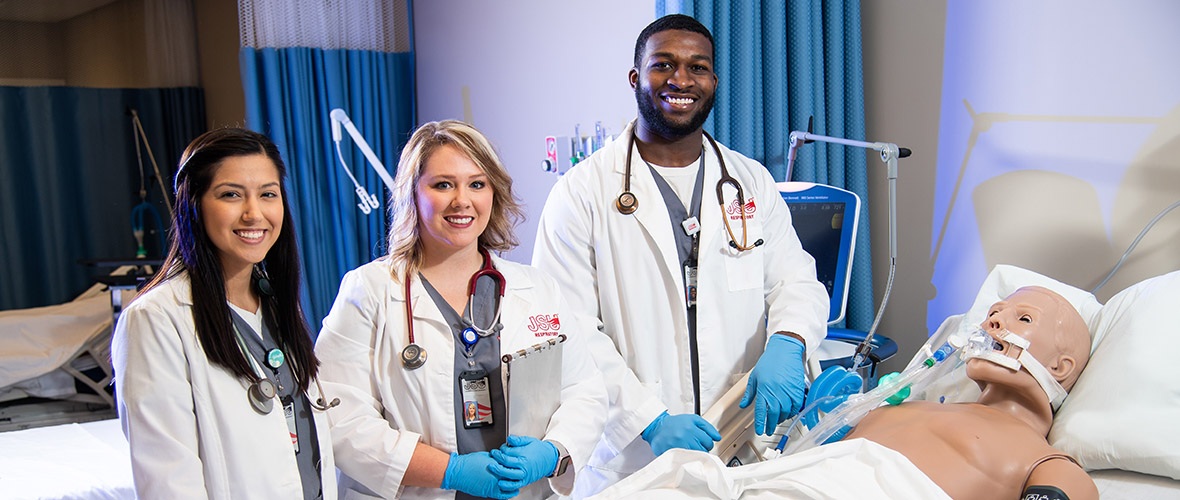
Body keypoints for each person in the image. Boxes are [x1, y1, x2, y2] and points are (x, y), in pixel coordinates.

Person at [531, 13, 830, 494]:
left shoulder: (749, 181)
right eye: (663, 64)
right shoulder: (581, 192)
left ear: (713, 80)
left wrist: (789, 341)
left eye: (698, 67)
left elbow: (794, 281)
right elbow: (567, 328)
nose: (681, 80)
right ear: (635, 77)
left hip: (743, 436)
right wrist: (646, 419)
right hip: (634, 458)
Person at [314, 120, 608, 499]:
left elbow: (585, 391)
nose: (462, 201)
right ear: (413, 194)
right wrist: (448, 471)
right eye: (443, 184)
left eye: (476, 184)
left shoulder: (537, 289)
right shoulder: (369, 290)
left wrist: (553, 452)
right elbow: (341, 417)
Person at [111, 128, 336, 498]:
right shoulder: (156, 319)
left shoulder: (275, 305)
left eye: (268, 194)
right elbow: (169, 482)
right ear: (193, 203)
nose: (254, 213)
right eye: (231, 194)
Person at [842, 286, 1099, 500]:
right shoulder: (907, 407)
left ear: (1059, 367)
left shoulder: (1046, 462)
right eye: (993, 313)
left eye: (1024, 319)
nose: (991, 322)